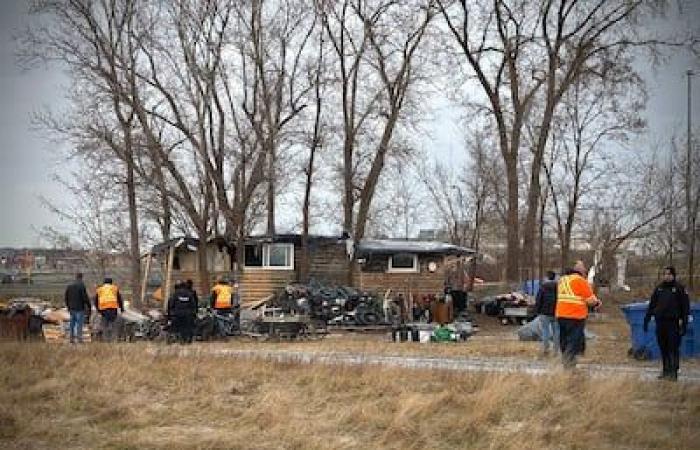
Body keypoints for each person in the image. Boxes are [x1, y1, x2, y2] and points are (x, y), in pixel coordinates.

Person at [643, 266, 690, 381]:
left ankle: (673, 372)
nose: (667, 276)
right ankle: (665, 370)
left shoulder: (679, 288)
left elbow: (685, 307)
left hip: (673, 322)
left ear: (673, 275)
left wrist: (684, 324)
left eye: (669, 274)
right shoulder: (659, 289)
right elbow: (652, 305)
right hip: (660, 322)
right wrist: (647, 319)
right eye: (665, 274)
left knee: (672, 347)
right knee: (663, 346)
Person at [555, 261, 601, 368]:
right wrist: (597, 302)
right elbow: (590, 300)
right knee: (574, 339)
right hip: (575, 315)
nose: (585, 271)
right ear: (580, 271)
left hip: (561, 314)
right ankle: (569, 361)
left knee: (564, 339)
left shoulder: (562, 280)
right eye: (584, 269)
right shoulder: (580, 280)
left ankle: (566, 360)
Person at [535, 271, 559, 356]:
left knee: (545, 331)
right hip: (556, 312)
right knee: (556, 332)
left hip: (544, 312)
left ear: (547, 277)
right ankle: (556, 350)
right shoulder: (558, 287)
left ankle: (546, 349)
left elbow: (538, 299)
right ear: (555, 277)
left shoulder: (543, 287)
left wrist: (537, 310)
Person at [64, 273, 91, 344]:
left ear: (75, 277)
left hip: (71, 308)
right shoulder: (81, 286)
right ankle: (79, 339)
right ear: (81, 277)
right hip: (79, 308)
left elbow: (66, 297)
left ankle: (71, 338)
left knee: (72, 324)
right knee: (79, 324)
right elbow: (85, 297)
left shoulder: (69, 286)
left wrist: (68, 306)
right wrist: (88, 305)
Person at [94, 277, 124, 342]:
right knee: (113, 324)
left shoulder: (100, 289)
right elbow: (119, 299)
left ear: (104, 283)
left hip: (103, 310)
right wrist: (122, 308)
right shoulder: (114, 288)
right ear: (111, 283)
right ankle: (113, 339)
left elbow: (96, 301)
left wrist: (98, 310)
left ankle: (106, 339)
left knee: (105, 324)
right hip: (113, 309)